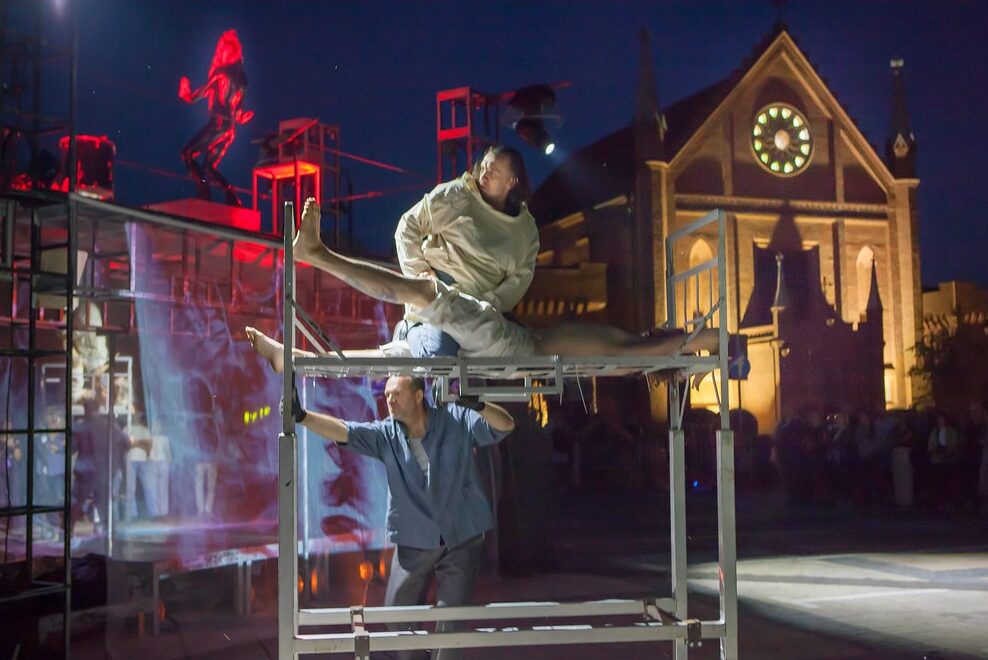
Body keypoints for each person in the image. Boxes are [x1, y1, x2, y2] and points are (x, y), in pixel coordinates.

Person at [245, 196, 727, 368]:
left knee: (424, 302)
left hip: (502, 345)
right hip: (495, 347)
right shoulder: (628, 349)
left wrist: (721, 341)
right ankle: (298, 360)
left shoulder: (633, 352)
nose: (661, 331)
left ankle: (319, 256)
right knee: (404, 351)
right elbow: (668, 345)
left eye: (664, 334)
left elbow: (675, 345)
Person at [290, 375, 515, 660]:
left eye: (396, 393)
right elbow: (345, 431)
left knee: (451, 620)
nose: (390, 400)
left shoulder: (455, 419)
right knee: (397, 614)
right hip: (414, 537)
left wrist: (479, 405)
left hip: (461, 535)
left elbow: (505, 425)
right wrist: (302, 416)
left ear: (419, 396)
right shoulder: (387, 433)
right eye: (387, 395)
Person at [394, 145, 538, 358]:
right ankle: (410, 330)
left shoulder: (525, 231)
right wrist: (419, 272)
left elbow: (520, 278)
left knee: (526, 352)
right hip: (442, 292)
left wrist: (487, 305)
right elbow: (408, 225)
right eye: (484, 167)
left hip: (483, 307)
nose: (484, 174)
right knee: (440, 356)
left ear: (511, 182)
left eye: (494, 172)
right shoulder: (457, 195)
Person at [178, 29, 254, 206]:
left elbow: (200, 93)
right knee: (209, 167)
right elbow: (238, 113)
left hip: (217, 124)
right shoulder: (242, 80)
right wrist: (243, 118)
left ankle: (204, 192)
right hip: (230, 130)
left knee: (187, 154)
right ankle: (231, 194)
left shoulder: (221, 72)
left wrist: (186, 93)